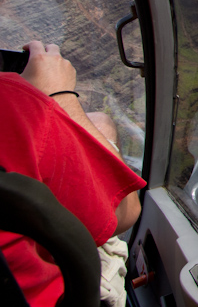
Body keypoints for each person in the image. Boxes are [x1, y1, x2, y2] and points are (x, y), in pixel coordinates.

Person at [0, 40, 146, 307]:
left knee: (97, 122)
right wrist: (59, 96)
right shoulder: (9, 100)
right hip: (49, 297)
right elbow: (124, 213)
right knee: (102, 124)